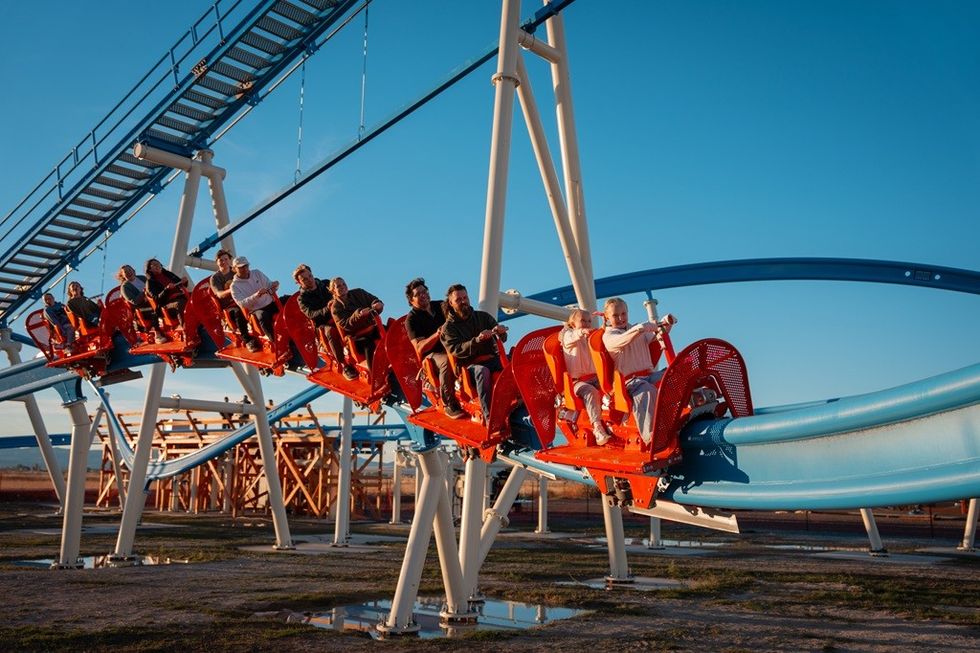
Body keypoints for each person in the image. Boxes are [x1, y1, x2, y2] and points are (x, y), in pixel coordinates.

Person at [601, 297, 672, 445]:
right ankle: (651, 437)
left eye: (623, 313)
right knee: (645, 391)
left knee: (673, 375)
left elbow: (656, 334)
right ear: (607, 317)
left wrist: (666, 324)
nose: (621, 318)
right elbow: (621, 341)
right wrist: (640, 328)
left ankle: (683, 415)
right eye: (615, 315)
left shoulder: (636, 330)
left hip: (649, 374)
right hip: (629, 381)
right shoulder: (609, 336)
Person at [440, 283, 508, 423]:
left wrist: (500, 332)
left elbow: (503, 338)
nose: (463, 301)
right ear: (451, 303)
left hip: (492, 358)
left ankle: (521, 401)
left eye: (465, 298)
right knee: (482, 372)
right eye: (458, 299)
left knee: (514, 363)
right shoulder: (448, 329)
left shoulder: (482, 317)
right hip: (469, 367)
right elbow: (457, 350)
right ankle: (490, 418)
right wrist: (477, 340)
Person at [404, 277, 464, 419]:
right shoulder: (411, 319)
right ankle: (448, 403)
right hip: (432, 355)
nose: (423, 295)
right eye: (418, 294)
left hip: (451, 347)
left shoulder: (440, 306)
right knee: (446, 361)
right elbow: (419, 348)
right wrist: (437, 334)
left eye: (425, 291)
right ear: (411, 300)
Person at [560, 308, 614, 445]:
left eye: (589, 321)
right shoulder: (568, 336)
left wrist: (605, 325)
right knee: (590, 392)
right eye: (583, 321)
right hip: (577, 382)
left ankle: (617, 422)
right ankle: (597, 428)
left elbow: (602, 336)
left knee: (616, 385)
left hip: (594, 377)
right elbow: (571, 336)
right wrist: (582, 331)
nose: (587, 324)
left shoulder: (589, 336)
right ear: (573, 323)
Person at [293, 264, 355, 380]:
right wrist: (328, 308)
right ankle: (344, 365)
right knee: (330, 332)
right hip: (323, 323)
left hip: (340, 314)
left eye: (310, 276)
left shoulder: (326, 284)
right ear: (299, 282)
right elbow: (311, 314)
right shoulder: (302, 299)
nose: (309, 280)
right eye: (304, 279)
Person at [329, 276, 384, 369]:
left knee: (393, 334)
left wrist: (377, 304)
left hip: (373, 328)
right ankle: (375, 374)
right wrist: (359, 315)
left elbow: (374, 300)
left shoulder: (359, 293)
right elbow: (346, 325)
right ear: (333, 291)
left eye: (344, 284)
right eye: (338, 286)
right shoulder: (336, 307)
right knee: (369, 346)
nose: (342, 287)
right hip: (357, 337)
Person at [210, 250, 259, 352]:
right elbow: (219, 294)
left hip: (244, 298)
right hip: (230, 305)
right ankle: (247, 340)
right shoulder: (215, 278)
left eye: (226, 259)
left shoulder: (235, 272)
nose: (223, 262)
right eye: (221, 260)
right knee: (238, 312)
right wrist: (232, 290)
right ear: (217, 262)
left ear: (229, 261)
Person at [230, 256, 281, 342]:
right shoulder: (234, 286)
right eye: (241, 267)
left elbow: (269, 285)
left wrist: (274, 285)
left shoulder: (257, 273)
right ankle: (276, 343)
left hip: (271, 303)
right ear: (235, 269)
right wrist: (257, 295)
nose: (245, 268)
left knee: (289, 300)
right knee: (262, 316)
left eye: (246, 266)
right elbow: (242, 304)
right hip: (256, 309)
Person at [116, 264, 167, 344]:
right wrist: (144, 292)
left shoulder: (142, 278)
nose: (129, 272)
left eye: (130, 270)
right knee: (154, 311)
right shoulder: (125, 287)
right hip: (141, 308)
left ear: (134, 270)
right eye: (126, 272)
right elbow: (134, 301)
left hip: (154, 300)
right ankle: (157, 334)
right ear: (123, 275)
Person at [144, 258, 188, 330]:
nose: (157, 266)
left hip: (181, 296)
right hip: (166, 304)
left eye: (158, 264)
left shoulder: (168, 274)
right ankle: (186, 329)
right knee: (180, 303)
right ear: (149, 269)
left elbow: (181, 284)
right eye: (154, 265)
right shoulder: (150, 282)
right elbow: (156, 299)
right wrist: (166, 289)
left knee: (196, 296)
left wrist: (184, 282)